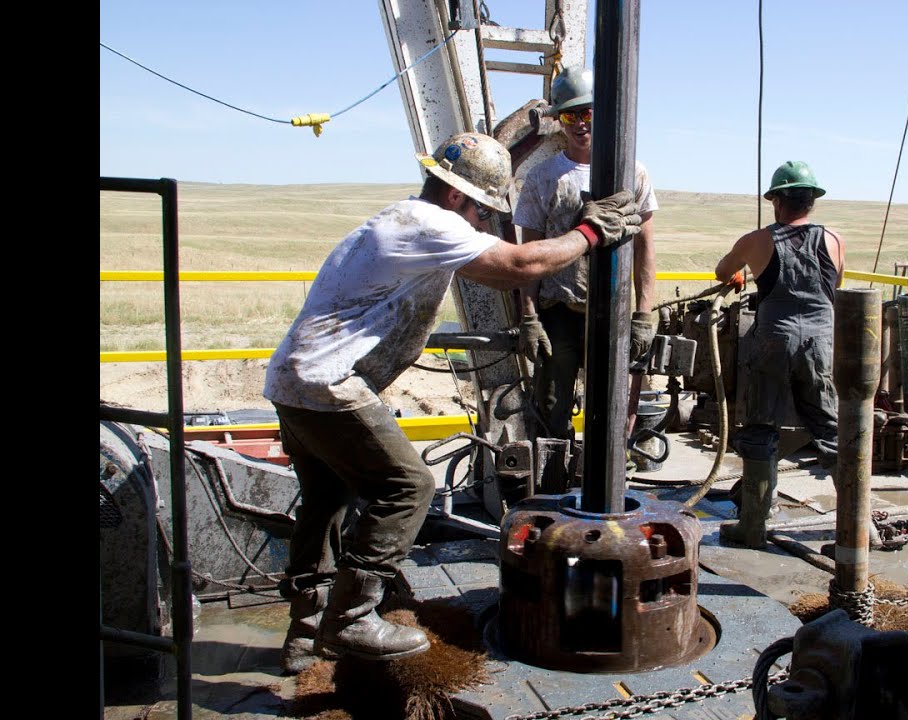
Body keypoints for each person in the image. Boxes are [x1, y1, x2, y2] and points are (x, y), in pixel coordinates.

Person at [263, 131, 640, 672]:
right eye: (483, 211)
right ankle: (350, 619)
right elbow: (519, 265)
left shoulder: (400, 219)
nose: (485, 223)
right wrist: (590, 232)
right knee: (409, 486)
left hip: (293, 382)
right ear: (459, 198)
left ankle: (305, 630)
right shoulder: (431, 223)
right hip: (328, 382)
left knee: (327, 499)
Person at [513, 65, 659, 445]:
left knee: (611, 415)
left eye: (588, 113)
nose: (580, 123)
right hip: (558, 313)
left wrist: (644, 313)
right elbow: (531, 254)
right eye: (569, 115)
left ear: (605, 114)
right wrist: (529, 317)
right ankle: (551, 486)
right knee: (550, 413)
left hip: (612, 314)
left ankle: (607, 482)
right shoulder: (544, 178)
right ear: (559, 120)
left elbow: (645, 249)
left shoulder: (634, 174)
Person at [712, 160, 845, 549]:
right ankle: (859, 527)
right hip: (820, 344)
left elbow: (723, 271)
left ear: (775, 200)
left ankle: (752, 527)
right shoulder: (835, 240)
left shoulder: (756, 241)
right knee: (833, 432)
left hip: (773, 341)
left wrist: (741, 273)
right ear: (812, 202)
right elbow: (834, 285)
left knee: (760, 429)